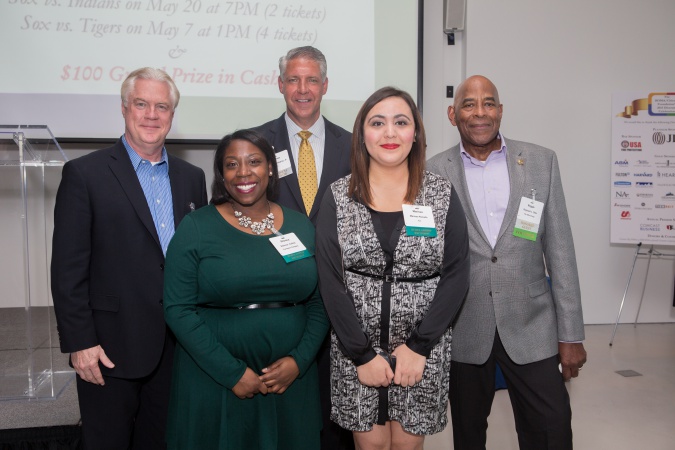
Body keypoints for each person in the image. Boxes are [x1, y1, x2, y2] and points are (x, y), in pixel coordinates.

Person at [427, 75, 587, 450]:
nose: (479, 112)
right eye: (469, 104)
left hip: (532, 325)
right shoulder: (432, 171)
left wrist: (571, 334)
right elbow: (427, 256)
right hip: (464, 327)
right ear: (453, 114)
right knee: (468, 436)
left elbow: (560, 250)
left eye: (488, 103)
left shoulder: (540, 161)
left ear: (500, 111)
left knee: (552, 430)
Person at [51, 67, 208, 449]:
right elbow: (67, 267)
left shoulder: (192, 177)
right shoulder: (84, 174)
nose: (151, 115)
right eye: (141, 104)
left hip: (177, 347)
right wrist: (79, 342)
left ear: (172, 114)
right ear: (124, 108)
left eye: (162, 106)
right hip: (108, 349)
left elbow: (197, 261)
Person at [315, 87, 470, 450]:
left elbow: (457, 273)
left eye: (401, 122)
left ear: (415, 133)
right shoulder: (338, 196)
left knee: (406, 446)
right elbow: (331, 279)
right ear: (362, 134)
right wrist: (362, 354)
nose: (389, 133)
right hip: (356, 353)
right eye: (377, 123)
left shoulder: (441, 194)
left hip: (422, 353)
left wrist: (419, 346)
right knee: (370, 446)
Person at [162, 129, 329, 449]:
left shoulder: (300, 226)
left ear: (270, 167)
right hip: (215, 380)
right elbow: (177, 308)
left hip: (291, 383)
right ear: (222, 176)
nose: (243, 172)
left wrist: (299, 361)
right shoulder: (196, 226)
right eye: (231, 164)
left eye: (253, 161)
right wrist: (232, 373)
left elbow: (321, 303)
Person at [253, 45, 353, 450]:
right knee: (285, 424)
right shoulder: (255, 144)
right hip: (280, 307)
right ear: (280, 85)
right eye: (293, 79)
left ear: (325, 85)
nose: (303, 89)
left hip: (342, 307)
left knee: (337, 421)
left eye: (312, 79)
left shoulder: (354, 146)